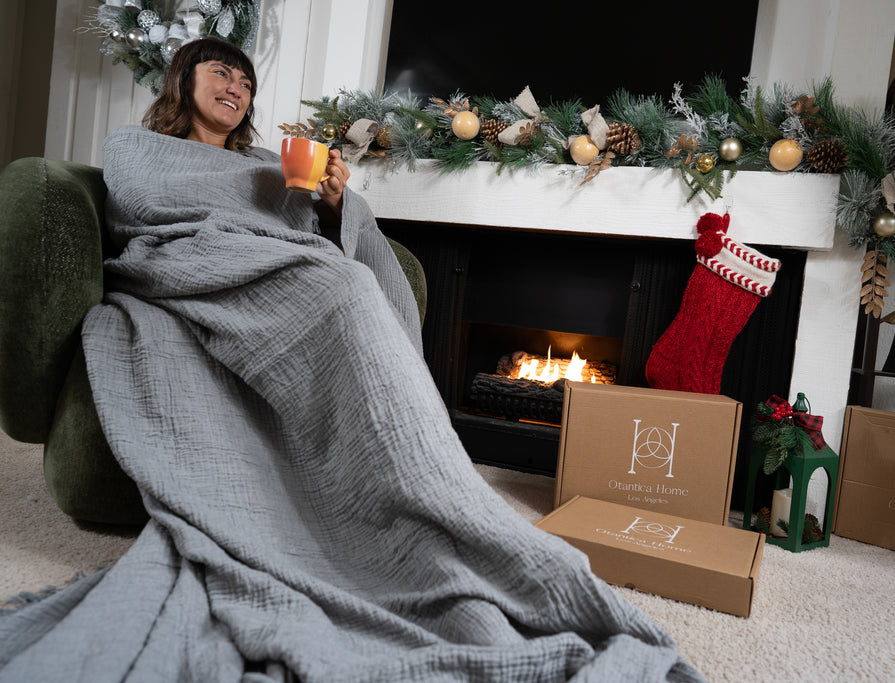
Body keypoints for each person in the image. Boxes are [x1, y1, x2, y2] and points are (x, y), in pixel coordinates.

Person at [0, 38, 701, 682]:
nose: (237, 86)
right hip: (193, 270)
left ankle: (426, 495)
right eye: (222, 72)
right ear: (184, 80)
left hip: (288, 269)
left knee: (349, 283)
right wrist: (277, 193)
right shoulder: (137, 146)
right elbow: (149, 200)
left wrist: (333, 204)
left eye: (246, 80)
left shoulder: (266, 166)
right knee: (340, 289)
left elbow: (305, 226)